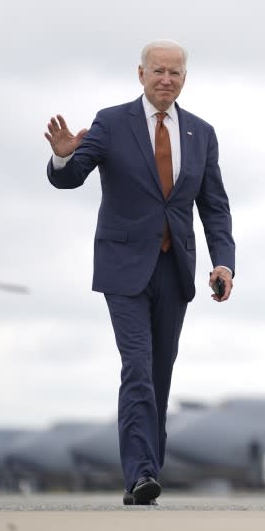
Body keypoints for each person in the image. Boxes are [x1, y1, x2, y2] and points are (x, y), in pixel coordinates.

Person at [44, 39, 235, 505]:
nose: (165, 79)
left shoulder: (201, 132)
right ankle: (141, 474)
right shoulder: (112, 122)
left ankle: (147, 469)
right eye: (157, 71)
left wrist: (223, 261)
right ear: (141, 74)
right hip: (124, 267)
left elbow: (214, 205)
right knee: (138, 369)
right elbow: (69, 178)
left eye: (174, 72)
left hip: (175, 268)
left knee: (160, 374)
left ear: (184, 78)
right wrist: (65, 155)